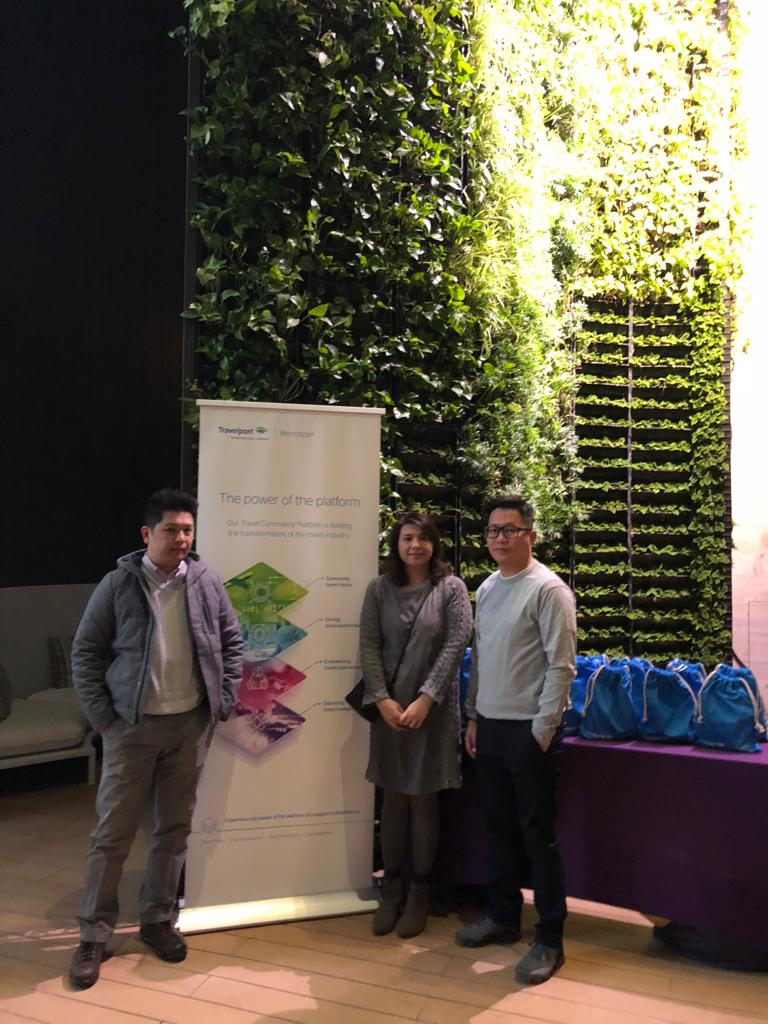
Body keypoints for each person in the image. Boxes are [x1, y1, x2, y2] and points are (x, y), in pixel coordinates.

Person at [68, 488, 243, 990]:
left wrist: (222, 701)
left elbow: (231, 641)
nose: (181, 538)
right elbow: (86, 652)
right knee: (112, 835)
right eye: (171, 529)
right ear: (147, 534)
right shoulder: (118, 584)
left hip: (189, 726)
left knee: (173, 830)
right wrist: (105, 720)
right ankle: (94, 933)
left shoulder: (206, 582)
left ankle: (157, 920)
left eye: (187, 530)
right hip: (131, 728)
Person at [455, 495, 576, 985]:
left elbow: (561, 666)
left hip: (530, 732)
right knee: (498, 828)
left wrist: (542, 731)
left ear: (531, 535)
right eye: (492, 530)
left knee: (538, 838)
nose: (499, 538)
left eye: (510, 529)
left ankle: (550, 937)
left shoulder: (549, 590)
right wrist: (473, 716)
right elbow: (481, 659)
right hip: (490, 726)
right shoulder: (487, 588)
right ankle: (504, 916)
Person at [359, 512, 473, 939]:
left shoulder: (451, 589)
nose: (415, 546)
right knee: (392, 797)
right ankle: (391, 889)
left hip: (433, 712)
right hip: (389, 711)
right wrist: (381, 699)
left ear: (434, 544)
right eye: (407, 538)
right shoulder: (378, 589)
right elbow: (369, 645)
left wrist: (427, 697)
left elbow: (456, 644)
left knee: (424, 799)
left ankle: (420, 893)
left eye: (423, 538)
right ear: (396, 544)